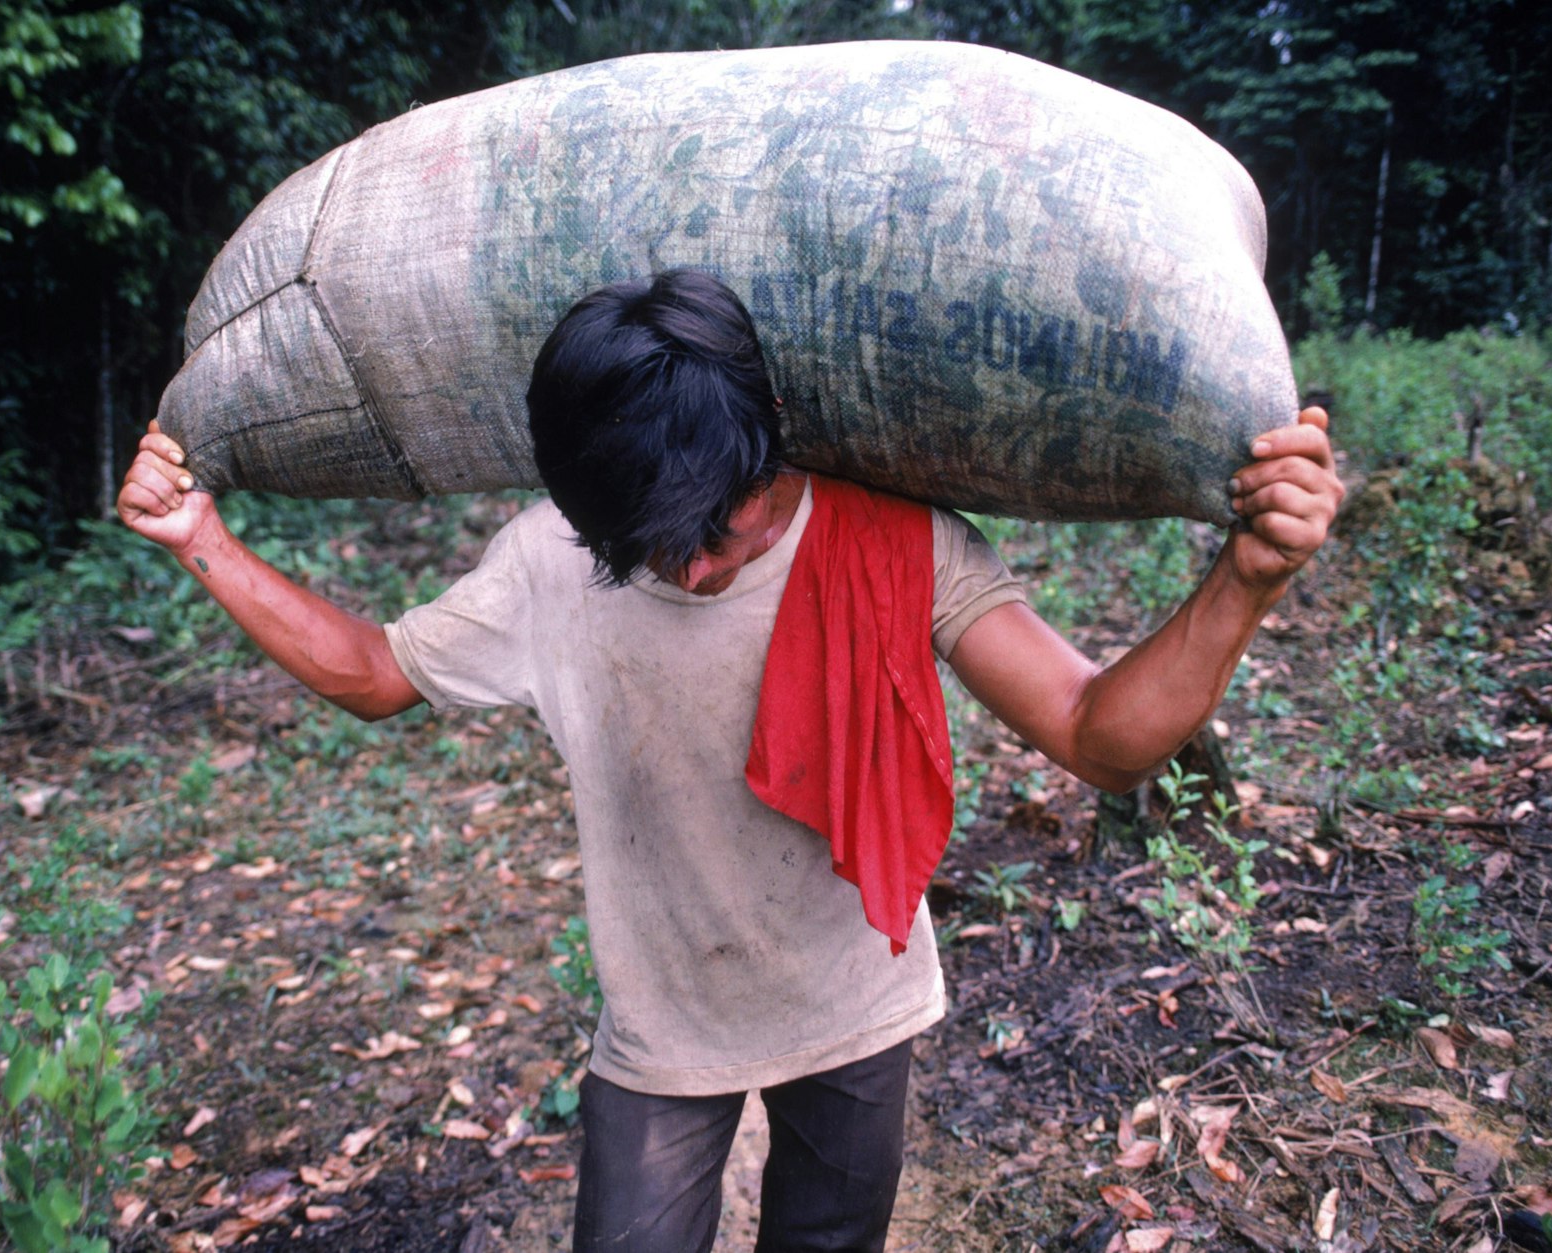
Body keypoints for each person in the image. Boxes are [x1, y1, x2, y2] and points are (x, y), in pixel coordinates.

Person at [118, 268, 1342, 1251]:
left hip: (855, 1005)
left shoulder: (890, 539)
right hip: (660, 1026)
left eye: (726, 523)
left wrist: (1242, 579)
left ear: (771, 443)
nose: (698, 568)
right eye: (653, 547)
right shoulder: (547, 559)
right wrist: (201, 538)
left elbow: (1096, 735)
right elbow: (373, 672)